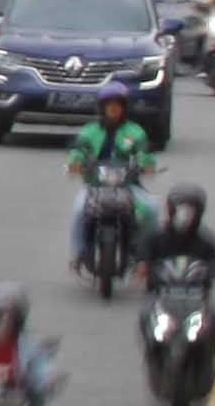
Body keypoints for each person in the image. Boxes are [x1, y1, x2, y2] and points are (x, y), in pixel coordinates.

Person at [64, 83, 160, 272]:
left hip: (127, 186)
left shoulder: (135, 131)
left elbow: (144, 153)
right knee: (78, 211)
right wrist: (75, 163)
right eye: (109, 104)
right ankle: (80, 253)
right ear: (102, 107)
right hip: (94, 186)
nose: (114, 108)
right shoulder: (89, 131)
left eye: (118, 104)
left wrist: (147, 165)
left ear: (124, 107)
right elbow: (78, 151)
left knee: (152, 209)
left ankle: (146, 256)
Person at [139, 182, 215, 295]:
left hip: (197, 297)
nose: (184, 216)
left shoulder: (207, 238)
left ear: (198, 212)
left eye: (190, 211)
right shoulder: (154, 236)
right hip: (161, 294)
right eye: (180, 210)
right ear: (171, 209)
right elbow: (142, 265)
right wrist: (144, 266)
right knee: (145, 312)